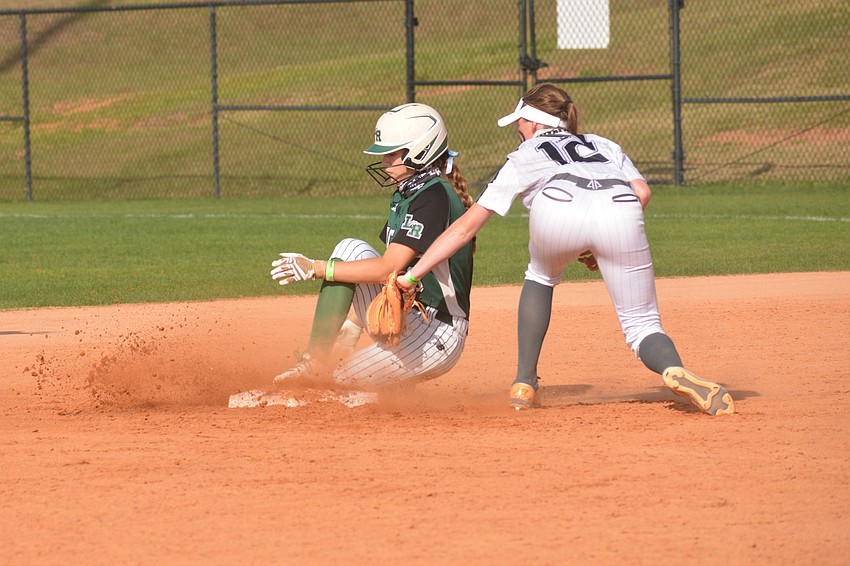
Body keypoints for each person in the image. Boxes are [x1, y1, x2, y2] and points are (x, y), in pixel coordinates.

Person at [398, 83, 735, 416]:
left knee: (541, 276)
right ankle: (672, 369)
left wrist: (413, 275)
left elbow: (464, 228)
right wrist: (599, 241)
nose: (518, 129)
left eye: (519, 123)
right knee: (642, 324)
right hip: (620, 207)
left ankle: (524, 382)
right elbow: (642, 193)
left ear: (532, 122)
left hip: (557, 205)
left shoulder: (524, 155)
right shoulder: (603, 144)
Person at [269, 102, 474, 392]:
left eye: (391, 154)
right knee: (350, 247)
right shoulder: (409, 193)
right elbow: (391, 271)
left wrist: (316, 268)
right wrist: (350, 329)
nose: (385, 162)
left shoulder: (434, 197)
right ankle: (315, 359)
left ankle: (396, 390)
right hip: (411, 315)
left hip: (437, 333)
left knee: (339, 383)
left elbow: (386, 269)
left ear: (420, 151)